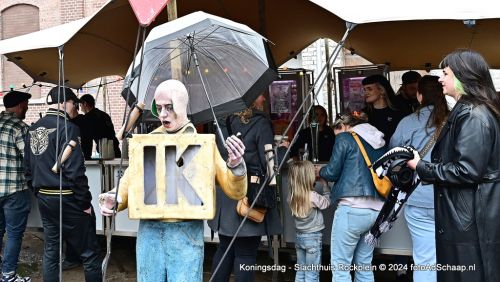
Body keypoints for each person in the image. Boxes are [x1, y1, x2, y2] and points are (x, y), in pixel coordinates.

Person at [98, 79, 247, 281]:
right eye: (158, 108)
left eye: (169, 107)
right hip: (149, 232)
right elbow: (132, 177)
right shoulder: (149, 141)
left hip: (185, 233)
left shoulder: (202, 145)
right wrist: (116, 197)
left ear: (181, 105)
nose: (162, 114)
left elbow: (234, 190)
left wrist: (236, 165)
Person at [407, 49, 500, 282]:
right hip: (468, 214)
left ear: (463, 76)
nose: (440, 79)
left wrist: (421, 166)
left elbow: (468, 171)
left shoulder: (473, 114)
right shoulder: (470, 110)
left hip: (469, 218)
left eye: (445, 73)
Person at [24, 86, 102, 282]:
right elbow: (75, 172)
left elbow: (27, 168)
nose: (75, 109)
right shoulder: (69, 128)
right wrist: (85, 203)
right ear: (65, 102)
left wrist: (39, 191)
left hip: (44, 198)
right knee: (89, 253)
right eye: (74, 104)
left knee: (51, 250)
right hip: (67, 197)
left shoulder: (32, 129)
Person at [208, 94, 282, 282]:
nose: (264, 98)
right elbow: (269, 163)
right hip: (250, 195)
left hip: (226, 195)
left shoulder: (222, 123)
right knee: (246, 254)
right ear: (248, 100)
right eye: (259, 94)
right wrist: (281, 149)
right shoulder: (261, 123)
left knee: (225, 249)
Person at [389, 75, 450, 282]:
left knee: (424, 259)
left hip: (418, 197)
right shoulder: (454, 120)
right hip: (450, 197)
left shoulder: (408, 122)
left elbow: (394, 154)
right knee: (453, 257)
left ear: (419, 95)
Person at [318, 112, 385, 282]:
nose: (337, 138)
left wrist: (320, 171)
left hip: (351, 209)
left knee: (341, 268)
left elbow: (332, 172)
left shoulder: (345, 137)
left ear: (344, 127)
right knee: (364, 265)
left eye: (337, 133)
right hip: (376, 210)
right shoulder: (378, 138)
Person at [0, 91, 32, 282]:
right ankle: (8, 274)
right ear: (20, 105)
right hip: (14, 190)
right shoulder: (19, 127)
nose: (27, 108)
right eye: (26, 105)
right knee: (14, 234)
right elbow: (29, 158)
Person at [288, 160, 330, 282]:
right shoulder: (312, 196)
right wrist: (325, 185)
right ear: (308, 178)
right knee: (312, 273)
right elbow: (326, 203)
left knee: (301, 270)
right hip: (313, 238)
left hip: (299, 237)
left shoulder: (292, 195)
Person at [362, 74, 407, 144]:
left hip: (395, 152)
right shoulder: (363, 114)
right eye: (364, 90)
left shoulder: (398, 111)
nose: (365, 93)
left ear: (382, 90)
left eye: (369, 89)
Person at [78, 94, 120, 159]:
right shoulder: (104, 114)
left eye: (80, 105)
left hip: (105, 149)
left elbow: (87, 138)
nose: (81, 109)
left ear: (85, 104)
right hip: (114, 146)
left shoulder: (88, 118)